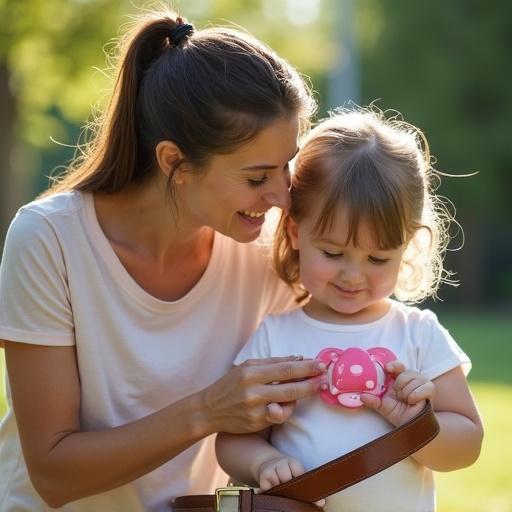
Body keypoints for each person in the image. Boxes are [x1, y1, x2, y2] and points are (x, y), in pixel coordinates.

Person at [0, 10, 329, 512]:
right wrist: (208, 410)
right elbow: (51, 472)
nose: (283, 197)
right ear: (174, 162)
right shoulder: (49, 239)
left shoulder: (269, 250)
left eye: (287, 166)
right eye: (257, 176)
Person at [216, 108, 484, 512]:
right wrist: (264, 461)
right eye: (333, 252)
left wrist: (416, 423)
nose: (353, 275)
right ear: (295, 232)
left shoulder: (418, 334)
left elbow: (468, 444)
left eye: (378, 259)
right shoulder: (275, 336)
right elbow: (232, 438)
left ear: (407, 246)